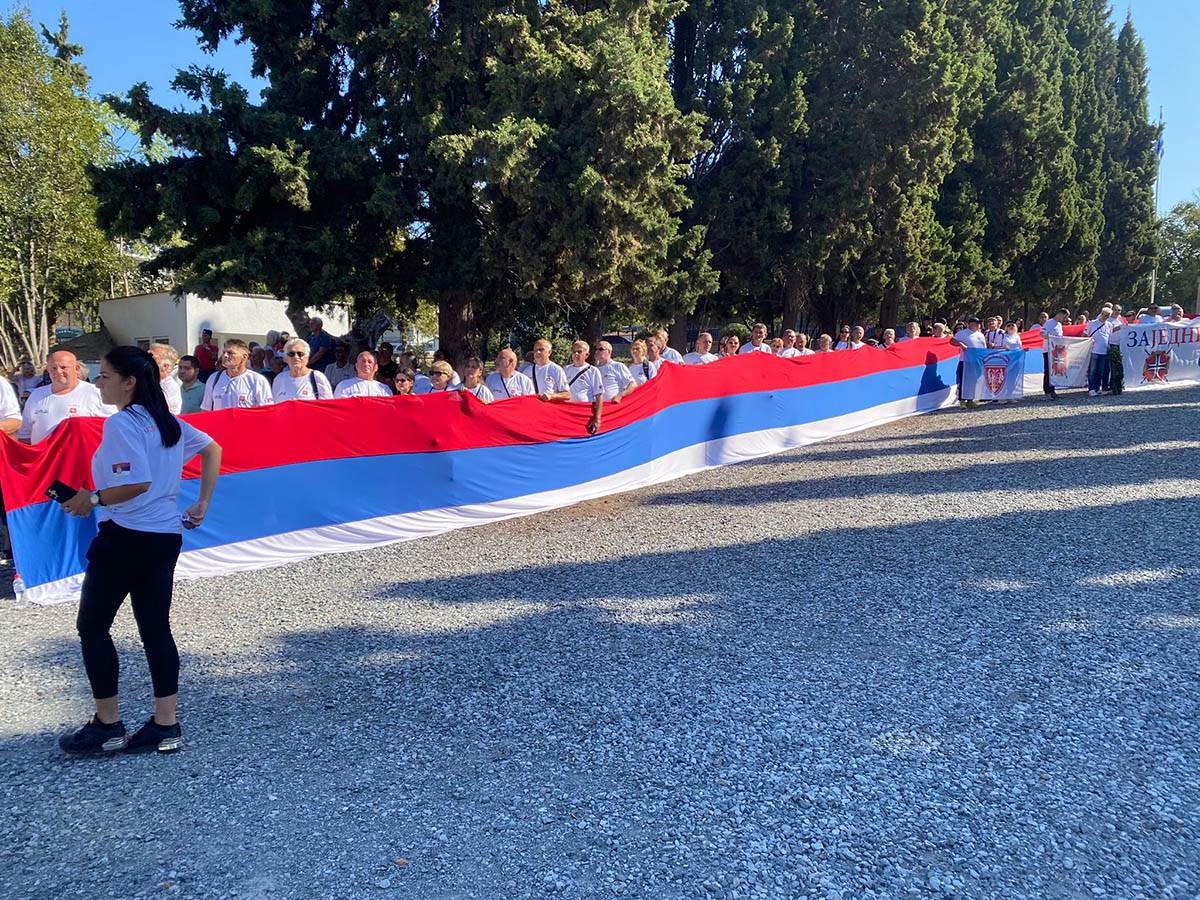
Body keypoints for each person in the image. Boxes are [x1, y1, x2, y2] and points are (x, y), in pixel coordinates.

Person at [55, 346, 221, 755]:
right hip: (164, 537)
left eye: (106, 375)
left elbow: (138, 482)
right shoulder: (166, 422)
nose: (99, 382)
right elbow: (212, 448)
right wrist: (203, 501)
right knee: (154, 628)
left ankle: (107, 724)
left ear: (129, 381)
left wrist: (91, 499)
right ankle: (166, 724)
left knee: (93, 626)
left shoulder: (122, 425)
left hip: (126, 536)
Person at [18, 350, 114, 444]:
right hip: (45, 459)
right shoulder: (36, 395)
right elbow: (25, 435)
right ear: (47, 370)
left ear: (76, 368)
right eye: (53, 368)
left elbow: (113, 430)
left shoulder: (97, 393)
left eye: (63, 367)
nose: (58, 372)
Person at [200, 340, 274, 410]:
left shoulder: (257, 380)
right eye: (224, 352)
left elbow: (267, 411)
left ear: (244, 357)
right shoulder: (214, 378)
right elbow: (206, 410)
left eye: (230, 353)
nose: (225, 356)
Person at [561, 341, 604, 434]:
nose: (576, 354)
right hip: (568, 411)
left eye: (579, 352)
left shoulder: (593, 371)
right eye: (574, 352)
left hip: (584, 412)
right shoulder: (565, 370)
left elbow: (599, 396)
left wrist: (597, 418)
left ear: (587, 355)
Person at [272, 338, 334, 402]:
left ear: (307, 358)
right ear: (285, 358)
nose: (296, 357)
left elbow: (328, 406)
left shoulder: (317, 377)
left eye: (300, 354)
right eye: (291, 354)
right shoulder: (279, 379)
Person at [951, 317, 986, 405]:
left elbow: (983, 347)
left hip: (977, 361)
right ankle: (962, 400)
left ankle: (970, 400)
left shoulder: (980, 334)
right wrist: (960, 344)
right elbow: (952, 341)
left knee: (974, 380)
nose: (979, 325)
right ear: (970, 324)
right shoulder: (962, 333)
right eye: (977, 323)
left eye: (979, 323)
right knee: (964, 380)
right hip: (965, 361)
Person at [1041, 308, 1068, 399]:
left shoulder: (1059, 325)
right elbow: (1042, 334)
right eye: (1064, 317)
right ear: (1060, 314)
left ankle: (1052, 390)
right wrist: (1051, 338)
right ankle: (1047, 391)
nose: (1064, 319)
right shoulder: (1049, 322)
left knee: (1054, 371)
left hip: (1056, 352)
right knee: (1048, 371)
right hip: (1048, 350)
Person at [148, 344, 183, 415]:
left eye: (151, 358)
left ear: (166, 366)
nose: (145, 361)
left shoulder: (170, 388)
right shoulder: (148, 382)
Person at [1086, 308, 1114, 397]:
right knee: (1092, 370)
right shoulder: (1092, 323)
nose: (1106, 317)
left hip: (1104, 351)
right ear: (1101, 313)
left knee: (1100, 371)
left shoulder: (1110, 325)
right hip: (1094, 350)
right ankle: (1091, 389)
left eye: (1108, 316)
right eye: (1105, 315)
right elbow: (1085, 334)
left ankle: (1097, 388)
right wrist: (1089, 340)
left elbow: (1109, 337)